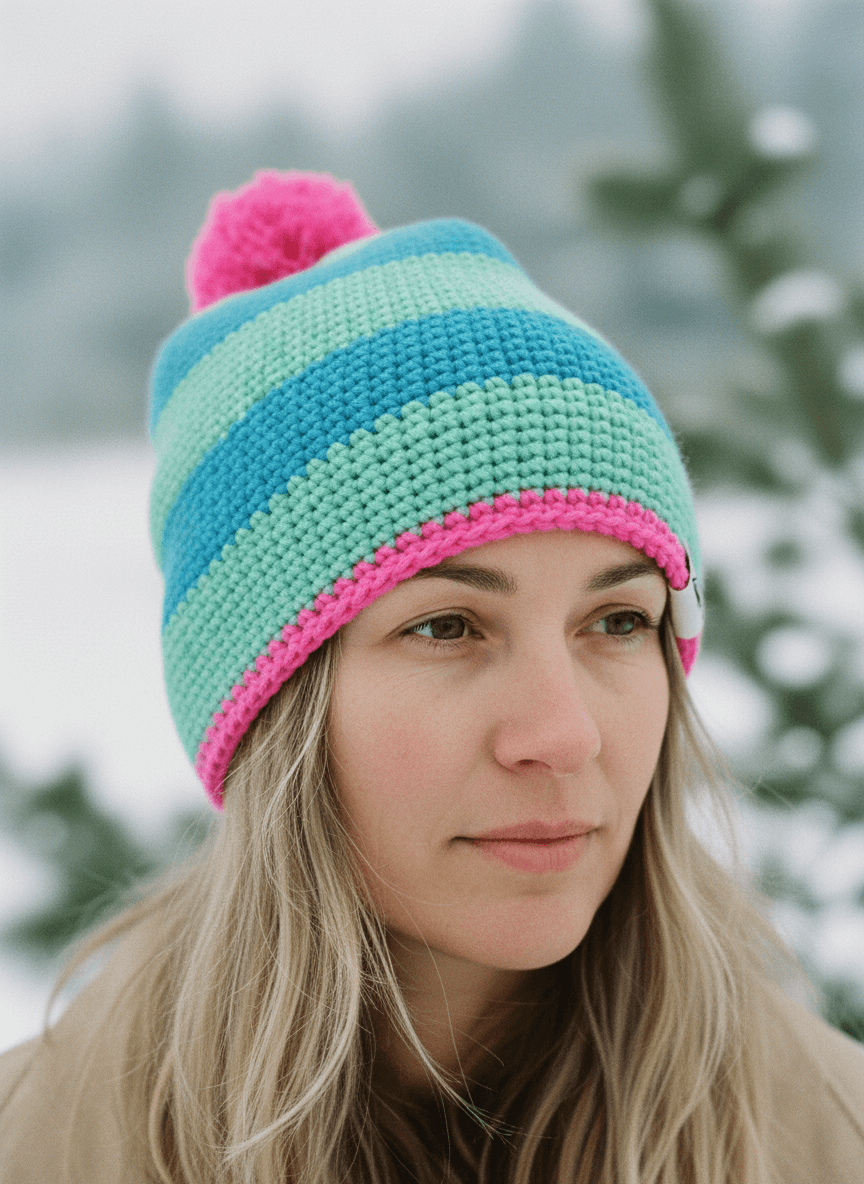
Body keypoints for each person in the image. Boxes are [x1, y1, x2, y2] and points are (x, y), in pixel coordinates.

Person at [0, 170, 862, 1184]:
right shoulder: (43, 1145)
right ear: (272, 705)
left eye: (619, 619)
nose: (564, 731)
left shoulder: (828, 1136)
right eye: (449, 625)